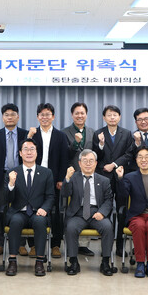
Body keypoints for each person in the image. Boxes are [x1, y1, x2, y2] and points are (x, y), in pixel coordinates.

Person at [115, 147, 148, 278]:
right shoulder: (130, 177)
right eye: (140, 157)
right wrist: (120, 178)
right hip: (136, 215)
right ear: (136, 160)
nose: (143, 160)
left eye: (147, 157)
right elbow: (123, 195)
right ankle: (140, 263)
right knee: (139, 226)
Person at [4, 139, 55, 276]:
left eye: (32, 149)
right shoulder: (12, 172)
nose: (29, 152)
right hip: (18, 211)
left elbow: (50, 196)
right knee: (15, 221)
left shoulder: (46, 172)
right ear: (20, 153)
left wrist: (44, 208)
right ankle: (12, 261)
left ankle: (39, 261)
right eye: (25, 149)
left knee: (40, 222)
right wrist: (11, 184)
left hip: (38, 211)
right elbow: (7, 199)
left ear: (37, 153)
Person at [62, 149, 114, 276]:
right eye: (85, 161)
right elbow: (65, 194)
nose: (88, 164)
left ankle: (105, 262)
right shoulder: (73, 178)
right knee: (71, 227)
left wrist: (102, 213)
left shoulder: (104, 180)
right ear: (79, 163)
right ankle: (73, 262)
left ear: (96, 163)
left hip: (97, 212)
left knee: (107, 227)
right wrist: (67, 179)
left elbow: (109, 200)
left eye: (91, 161)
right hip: (78, 213)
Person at [0, 103, 28, 254]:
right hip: (1, 176)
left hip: (21, 175)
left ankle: (21, 244)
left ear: (18, 117)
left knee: (20, 208)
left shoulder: (25, 134)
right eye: (6, 115)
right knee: (0, 209)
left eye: (12, 114)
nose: (9, 117)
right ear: (2, 118)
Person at [92, 105, 134, 255]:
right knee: (105, 211)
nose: (112, 118)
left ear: (119, 117)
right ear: (104, 117)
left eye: (115, 115)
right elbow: (95, 156)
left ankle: (120, 247)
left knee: (122, 211)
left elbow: (129, 154)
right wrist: (101, 145)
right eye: (109, 115)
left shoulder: (127, 133)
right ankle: (106, 248)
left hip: (121, 176)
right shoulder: (98, 133)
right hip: (103, 178)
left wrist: (114, 164)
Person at [30, 103, 70, 259]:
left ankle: (55, 245)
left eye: (48, 114)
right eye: (42, 114)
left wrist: (61, 179)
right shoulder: (32, 135)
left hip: (54, 180)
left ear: (53, 117)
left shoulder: (60, 136)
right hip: (35, 179)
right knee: (33, 211)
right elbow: (25, 155)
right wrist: (28, 138)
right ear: (37, 117)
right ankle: (33, 245)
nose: (44, 117)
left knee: (55, 213)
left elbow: (64, 159)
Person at [62, 102, 96, 256]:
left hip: (88, 176)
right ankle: (72, 244)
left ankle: (84, 245)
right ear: (72, 115)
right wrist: (75, 143)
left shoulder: (92, 132)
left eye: (82, 113)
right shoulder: (64, 133)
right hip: (73, 176)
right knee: (73, 210)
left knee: (87, 208)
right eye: (77, 113)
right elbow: (65, 155)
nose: (80, 116)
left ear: (86, 115)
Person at [130, 107, 148, 171]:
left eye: (146, 119)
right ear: (136, 122)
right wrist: (137, 143)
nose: (143, 122)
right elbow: (129, 155)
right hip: (136, 172)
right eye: (140, 119)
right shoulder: (130, 136)